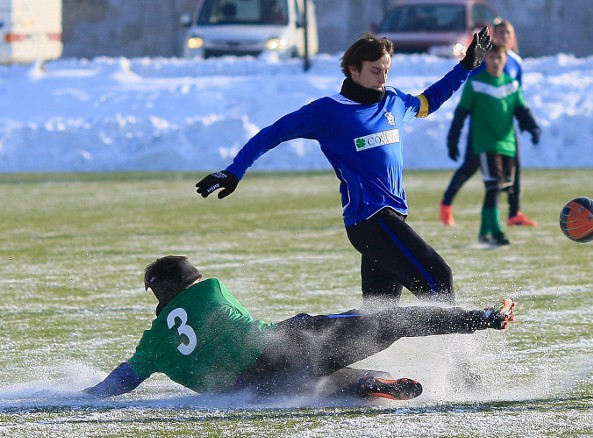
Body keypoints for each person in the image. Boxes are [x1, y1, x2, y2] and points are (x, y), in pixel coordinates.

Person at [195, 29, 492, 310]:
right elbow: (272, 133)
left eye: (386, 70)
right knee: (438, 278)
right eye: (375, 70)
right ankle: (460, 361)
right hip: (370, 220)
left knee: (379, 316)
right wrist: (234, 171)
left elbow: (430, 100)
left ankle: (325, 356)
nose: (382, 78)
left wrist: (466, 66)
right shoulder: (328, 111)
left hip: (392, 217)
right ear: (353, 69)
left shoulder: (395, 101)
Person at [83, 255, 516, 401]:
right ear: (189, 282)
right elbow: (248, 330)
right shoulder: (210, 289)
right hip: (282, 348)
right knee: (387, 322)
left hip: (249, 388)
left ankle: (371, 384)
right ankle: (485, 317)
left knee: (318, 381)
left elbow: (124, 378)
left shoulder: (153, 344)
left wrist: (90, 396)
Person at [439, 20, 540, 227]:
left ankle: (514, 213)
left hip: (505, 127)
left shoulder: (515, 62)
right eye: (501, 32)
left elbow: (516, 93)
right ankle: (447, 204)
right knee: (470, 167)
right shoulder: (484, 60)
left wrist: (525, 122)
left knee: (515, 169)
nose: (505, 36)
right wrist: (454, 136)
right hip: (482, 128)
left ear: (512, 37)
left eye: (508, 33)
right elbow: (472, 90)